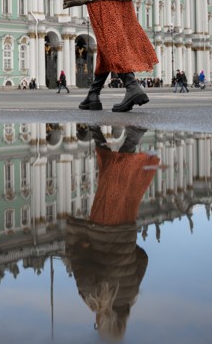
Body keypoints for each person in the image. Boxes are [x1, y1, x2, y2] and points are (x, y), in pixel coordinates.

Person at [65, 125, 161, 341]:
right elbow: (80, 263)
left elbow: (143, 259)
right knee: (114, 178)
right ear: (102, 323)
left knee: (115, 177)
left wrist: (126, 248)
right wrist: (82, 246)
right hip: (102, 225)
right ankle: (131, 137)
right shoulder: (94, 298)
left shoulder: (130, 296)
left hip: (126, 226)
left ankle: (98, 133)